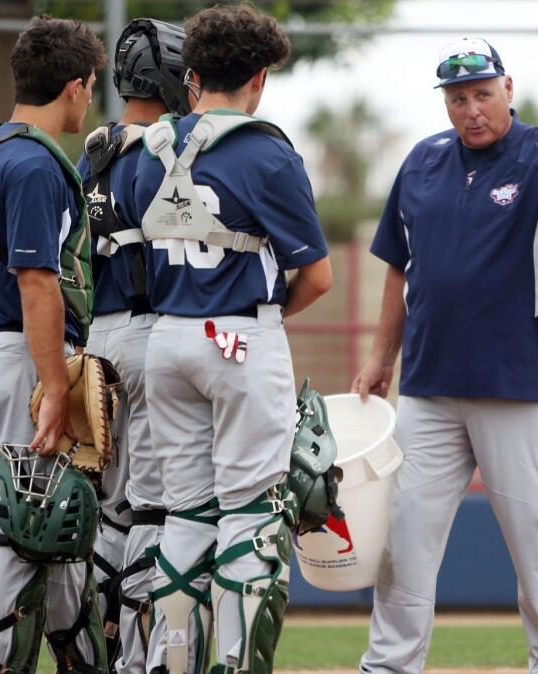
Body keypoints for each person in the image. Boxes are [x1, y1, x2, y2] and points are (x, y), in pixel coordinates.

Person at [352, 37, 538, 674]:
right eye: (458, 97)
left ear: (509, 90)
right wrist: (380, 356)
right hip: (428, 388)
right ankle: (389, 666)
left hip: (519, 386)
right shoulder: (421, 161)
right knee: (404, 543)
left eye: (482, 94)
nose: (471, 108)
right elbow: (397, 267)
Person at [129, 5, 333, 673]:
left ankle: (172, 661)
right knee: (249, 516)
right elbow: (319, 277)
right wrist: (265, 317)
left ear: (192, 75)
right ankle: (237, 664)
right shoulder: (267, 151)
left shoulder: (148, 148)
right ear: (260, 76)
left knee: (184, 517)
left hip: (166, 342)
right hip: (238, 338)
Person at [0, 16, 108, 674]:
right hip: (23, 355)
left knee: (57, 531)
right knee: (28, 531)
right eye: (91, 86)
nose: (91, 98)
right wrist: (51, 388)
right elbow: (37, 283)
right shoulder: (36, 163)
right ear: (73, 88)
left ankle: (81, 661)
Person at [75, 18, 191, 674]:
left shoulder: (91, 154)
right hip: (150, 335)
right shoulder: (163, 150)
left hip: (97, 340)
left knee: (112, 509)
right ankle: (139, 656)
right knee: (151, 504)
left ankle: (99, 642)